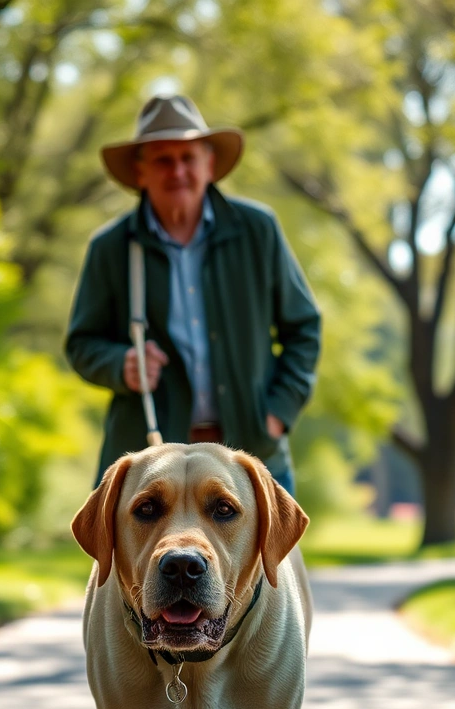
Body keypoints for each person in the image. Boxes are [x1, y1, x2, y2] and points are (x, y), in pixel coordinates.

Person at [65, 94, 321, 494]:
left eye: (188, 158)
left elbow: (303, 327)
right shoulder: (111, 248)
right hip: (150, 470)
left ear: (210, 164)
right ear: (140, 171)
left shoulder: (257, 231)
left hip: (250, 458)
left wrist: (275, 415)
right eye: (163, 159)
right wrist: (122, 364)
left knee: (274, 561)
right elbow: (81, 344)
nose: (177, 170)